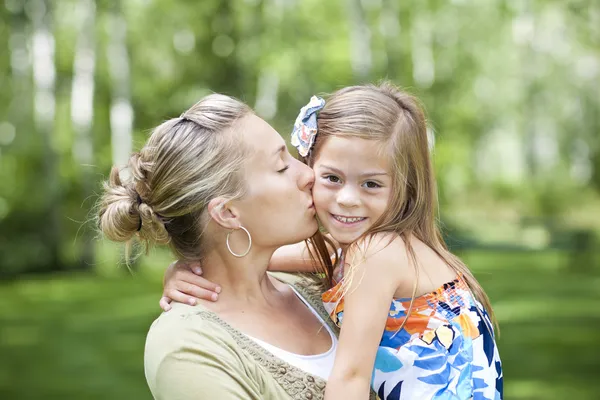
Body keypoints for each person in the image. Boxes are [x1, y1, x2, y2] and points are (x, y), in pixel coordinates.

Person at [162, 82, 503, 400]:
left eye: (371, 184)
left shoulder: (376, 255)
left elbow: (351, 378)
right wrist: (188, 267)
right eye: (332, 178)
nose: (348, 199)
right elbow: (256, 255)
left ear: (404, 188)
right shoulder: (366, 251)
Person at [97, 93, 371, 399]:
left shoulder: (321, 287)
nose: (308, 175)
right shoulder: (188, 349)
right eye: (282, 168)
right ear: (227, 213)